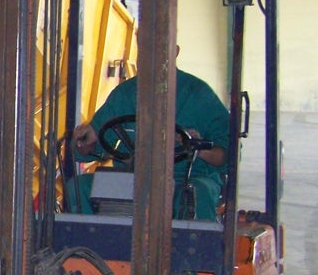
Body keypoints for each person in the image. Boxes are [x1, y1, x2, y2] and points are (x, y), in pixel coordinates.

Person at [68, 61, 230, 220]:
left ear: (176, 51)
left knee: (197, 193)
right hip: (133, 178)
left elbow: (228, 156)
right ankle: (90, 243)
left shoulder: (199, 94)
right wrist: (84, 145)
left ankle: (193, 244)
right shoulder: (124, 94)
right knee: (77, 188)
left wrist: (197, 148)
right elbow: (93, 146)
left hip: (186, 178)